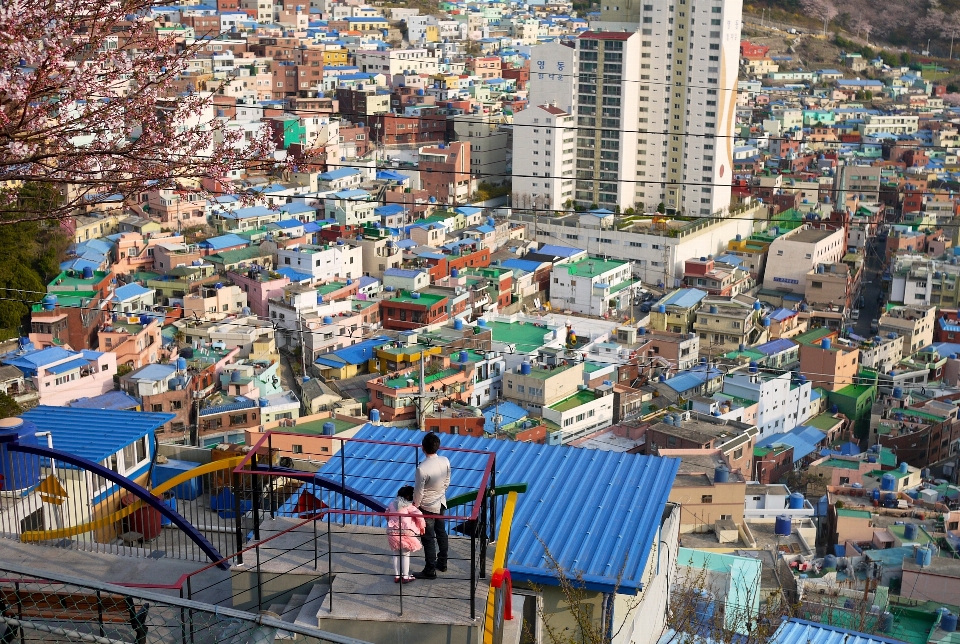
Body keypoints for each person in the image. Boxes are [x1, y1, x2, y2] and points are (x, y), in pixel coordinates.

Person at [412, 432, 450, 579]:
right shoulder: (445, 460)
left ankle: (430, 569)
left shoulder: (422, 469)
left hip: (427, 507)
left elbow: (418, 492)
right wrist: (440, 493)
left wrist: (415, 506)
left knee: (428, 538)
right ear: (437, 446)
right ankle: (443, 563)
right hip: (441, 502)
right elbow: (447, 481)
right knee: (441, 533)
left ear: (423, 448)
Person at [385, 485, 425, 584]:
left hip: (392, 532)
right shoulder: (409, 506)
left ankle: (397, 576)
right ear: (409, 496)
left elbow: (386, 514)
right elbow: (419, 515)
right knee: (405, 554)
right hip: (405, 533)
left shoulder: (392, 504)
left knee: (395, 554)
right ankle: (406, 576)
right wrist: (422, 527)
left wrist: (390, 521)